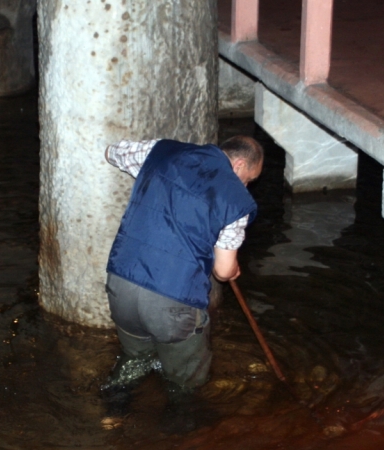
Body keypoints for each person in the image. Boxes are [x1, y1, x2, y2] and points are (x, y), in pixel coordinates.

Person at [100, 135, 263, 410]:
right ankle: (180, 431)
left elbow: (110, 151)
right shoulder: (237, 200)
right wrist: (234, 268)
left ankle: (112, 412)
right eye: (249, 178)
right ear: (238, 164)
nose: (246, 186)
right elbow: (223, 271)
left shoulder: (161, 151)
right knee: (185, 380)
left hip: (121, 282)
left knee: (135, 357)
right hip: (173, 298)